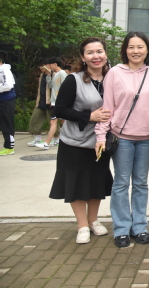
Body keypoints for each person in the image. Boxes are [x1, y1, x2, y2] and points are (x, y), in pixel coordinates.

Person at [95, 32, 149, 248]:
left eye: (140, 47)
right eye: (131, 47)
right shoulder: (114, 73)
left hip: (146, 138)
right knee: (121, 183)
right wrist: (100, 135)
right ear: (125, 50)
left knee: (141, 183)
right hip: (121, 138)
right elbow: (107, 107)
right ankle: (121, 228)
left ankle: (139, 226)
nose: (136, 51)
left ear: (147, 50)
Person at [49, 38, 113, 244]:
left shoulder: (112, 78)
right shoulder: (73, 80)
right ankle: (82, 225)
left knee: (96, 181)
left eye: (99, 51)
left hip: (101, 142)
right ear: (82, 57)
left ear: (106, 54)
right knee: (75, 183)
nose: (96, 56)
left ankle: (93, 220)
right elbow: (60, 110)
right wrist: (89, 116)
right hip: (74, 143)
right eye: (90, 52)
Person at [36, 57, 68, 150]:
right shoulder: (54, 74)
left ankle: (47, 143)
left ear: (55, 64)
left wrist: (62, 101)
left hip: (59, 102)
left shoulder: (62, 73)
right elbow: (51, 86)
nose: (49, 66)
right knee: (62, 122)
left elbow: (66, 87)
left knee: (53, 122)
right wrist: (49, 75)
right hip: (55, 102)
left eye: (50, 64)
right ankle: (72, 139)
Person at [28, 59, 60, 146]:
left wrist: (49, 75)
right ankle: (37, 138)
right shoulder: (41, 75)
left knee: (52, 122)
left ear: (48, 65)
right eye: (40, 66)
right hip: (41, 102)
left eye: (43, 65)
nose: (41, 68)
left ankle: (56, 139)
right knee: (35, 119)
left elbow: (53, 87)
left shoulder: (55, 74)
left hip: (50, 103)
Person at [0, 50, 16, 156]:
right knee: (3, 124)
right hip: (2, 100)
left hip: (7, 100)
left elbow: (8, 85)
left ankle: (9, 147)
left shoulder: (5, 70)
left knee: (7, 123)